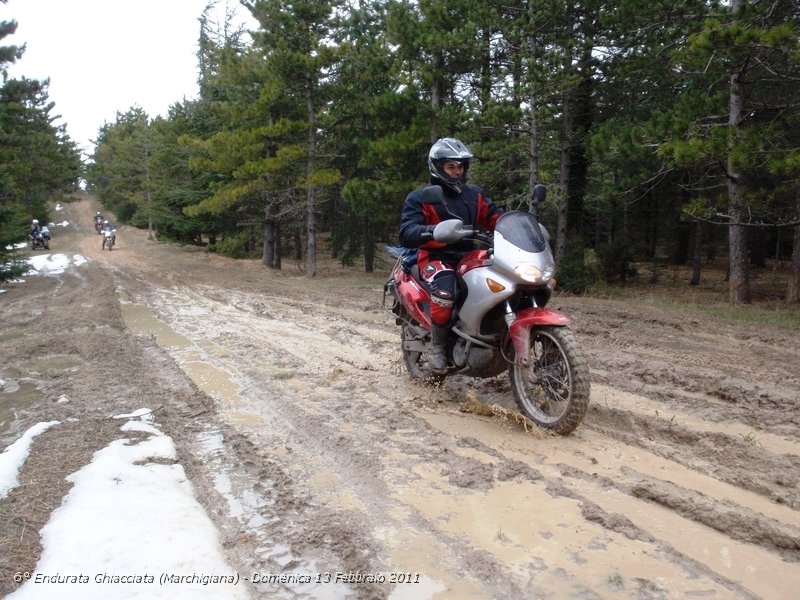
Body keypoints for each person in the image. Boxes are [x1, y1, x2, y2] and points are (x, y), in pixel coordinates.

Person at [399, 138, 504, 373]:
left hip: (470, 254)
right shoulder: (421, 197)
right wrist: (432, 231)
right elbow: (407, 231)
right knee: (445, 292)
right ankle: (438, 346)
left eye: (461, 166)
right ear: (438, 167)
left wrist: (522, 224)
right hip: (436, 257)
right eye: (451, 166)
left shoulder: (474, 194)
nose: (457, 171)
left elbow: (495, 217)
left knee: (503, 281)